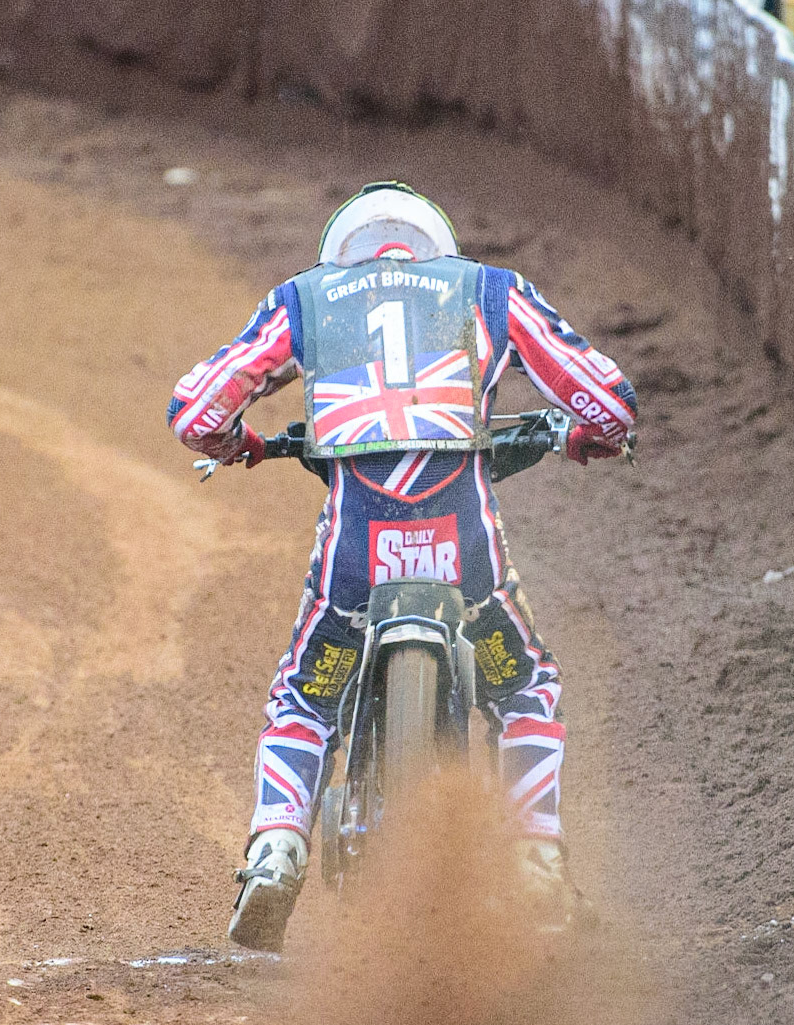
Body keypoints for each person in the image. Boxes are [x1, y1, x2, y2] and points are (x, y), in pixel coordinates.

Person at [167, 182, 637, 951]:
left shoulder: (304, 300)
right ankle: (536, 857)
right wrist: (591, 438)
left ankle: (276, 846)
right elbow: (610, 404)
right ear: (434, 248)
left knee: (306, 695)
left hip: (356, 545)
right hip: (464, 543)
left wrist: (237, 445)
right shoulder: (491, 290)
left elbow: (196, 411)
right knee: (523, 687)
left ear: (341, 255)